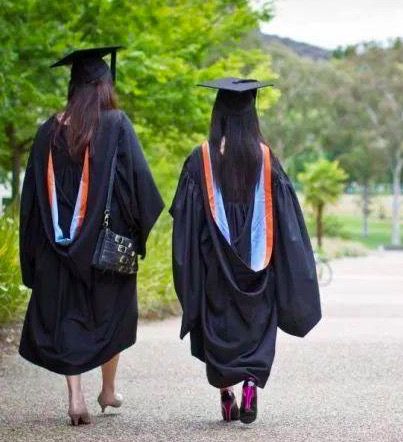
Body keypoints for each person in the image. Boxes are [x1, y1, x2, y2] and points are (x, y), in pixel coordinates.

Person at [18, 47, 164, 425]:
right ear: (103, 86)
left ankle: (77, 397)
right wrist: (136, 233)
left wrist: (33, 253)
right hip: (104, 248)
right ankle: (109, 390)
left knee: (67, 316)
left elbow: (31, 198)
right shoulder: (115, 124)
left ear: (73, 85)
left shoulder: (47, 131)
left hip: (56, 246)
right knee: (111, 314)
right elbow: (140, 186)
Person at [170, 77, 322, 424]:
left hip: (214, 272)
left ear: (217, 114)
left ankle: (226, 394)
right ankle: (251, 382)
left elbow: (185, 222)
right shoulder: (266, 159)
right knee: (255, 327)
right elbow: (287, 223)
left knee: (218, 329)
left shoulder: (200, 160)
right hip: (259, 270)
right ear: (251, 115)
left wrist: (189, 268)